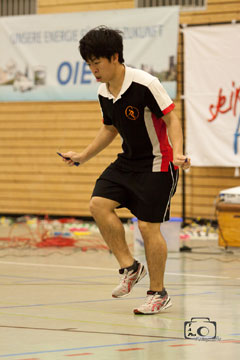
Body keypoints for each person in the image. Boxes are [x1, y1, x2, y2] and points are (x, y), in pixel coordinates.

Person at [61, 26, 191, 315]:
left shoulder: (145, 84)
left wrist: (179, 151)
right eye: (89, 64)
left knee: (147, 226)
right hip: (128, 162)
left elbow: (172, 118)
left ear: (115, 57)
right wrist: (82, 156)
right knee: (98, 204)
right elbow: (109, 129)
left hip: (158, 163)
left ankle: (159, 293)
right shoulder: (103, 91)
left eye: (98, 63)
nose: (93, 69)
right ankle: (130, 267)